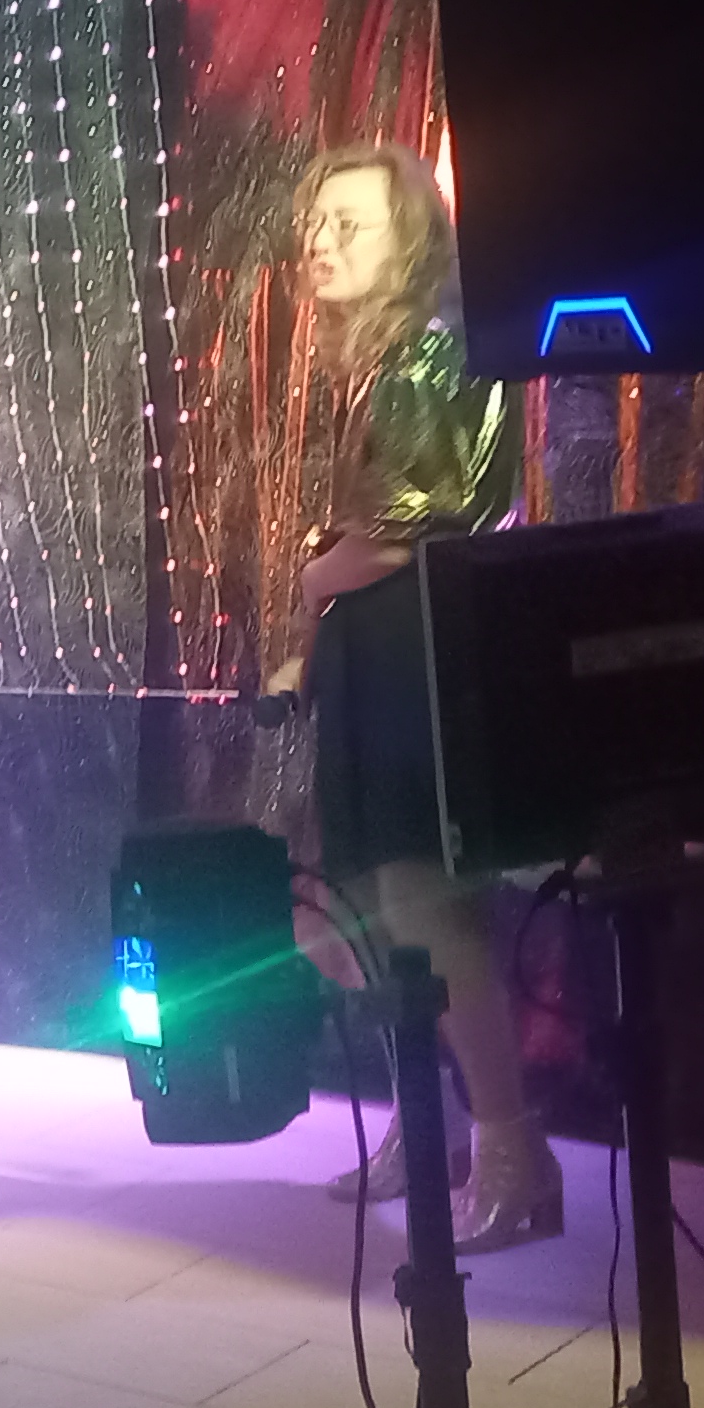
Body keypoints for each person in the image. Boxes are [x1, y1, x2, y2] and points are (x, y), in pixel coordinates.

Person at [272, 142, 557, 1253]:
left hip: (415, 648)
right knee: (366, 908)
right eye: (316, 221)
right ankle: (430, 1128)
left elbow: (408, 531)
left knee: (424, 906)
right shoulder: (386, 356)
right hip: (380, 646)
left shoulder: (430, 353)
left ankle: (512, 1155)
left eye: (350, 223)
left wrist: (316, 582)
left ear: (413, 240)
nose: (322, 241)